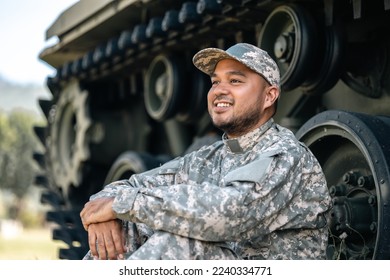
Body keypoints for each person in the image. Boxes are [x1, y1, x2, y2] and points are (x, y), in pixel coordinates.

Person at [80, 42, 332, 260]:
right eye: (215, 82)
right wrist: (106, 212)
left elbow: (228, 214)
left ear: (269, 96)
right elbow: (131, 185)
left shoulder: (287, 154)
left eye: (235, 81)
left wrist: (124, 204)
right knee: (125, 228)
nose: (219, 90)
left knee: (182, 242)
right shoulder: (209, 158)